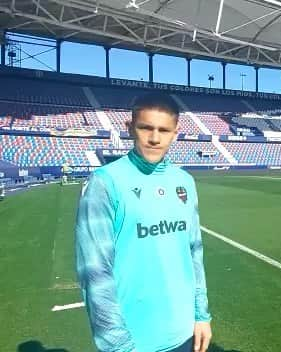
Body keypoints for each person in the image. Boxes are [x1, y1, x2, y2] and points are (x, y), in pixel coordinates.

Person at [75, 93, 212, 352]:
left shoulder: (184, 182)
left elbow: (194, 252)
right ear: (130, 128)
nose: (154, 138)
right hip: (134, 342)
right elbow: (95, 272)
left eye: (163, 130)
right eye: (146, 127)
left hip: (185, 334)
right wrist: (119, 346)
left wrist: (200, 315)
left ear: (175, 133)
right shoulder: (105, 182)